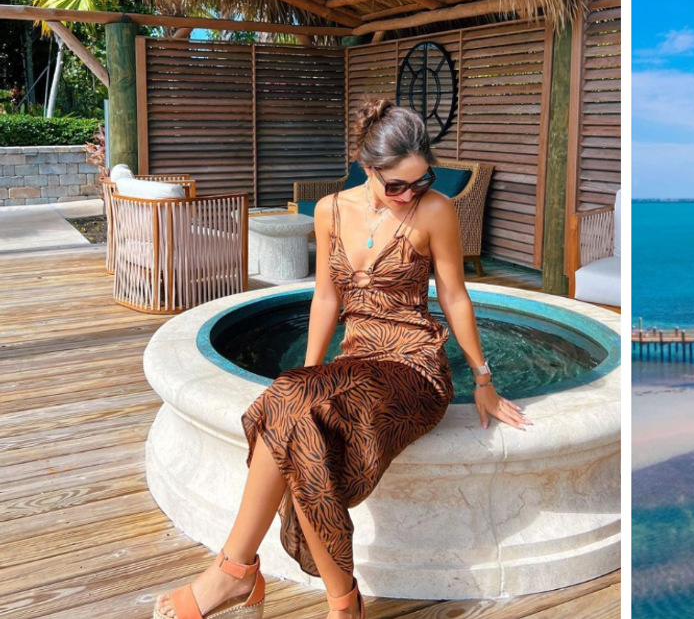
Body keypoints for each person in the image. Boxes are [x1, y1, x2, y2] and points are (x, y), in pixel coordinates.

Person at [152, 99, 531, 619]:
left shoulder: (437, 211)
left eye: (421, 181)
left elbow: (455, 297)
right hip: (358, 360)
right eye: (396, 184)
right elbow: (327, 296)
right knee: (293, 414)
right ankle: (329, 599)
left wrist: (482, 377)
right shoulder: (330, 210)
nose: (409, 195)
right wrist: (309, 372)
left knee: (288, 412)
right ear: (367, 166)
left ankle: (241, 576)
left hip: (413, 369)